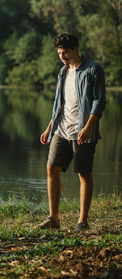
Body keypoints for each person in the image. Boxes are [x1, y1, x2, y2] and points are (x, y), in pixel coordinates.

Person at [38, 33, 106, 232]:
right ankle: (54, 219)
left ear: (76, 49)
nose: (62, 57)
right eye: (59, 53)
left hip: (82, 131)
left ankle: (82, 221)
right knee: (52, 168)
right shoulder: (63, 72)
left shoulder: (93, 69)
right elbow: (60, 103)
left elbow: (99, 102)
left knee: (84, 174)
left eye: (65, 52)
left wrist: (89, 127)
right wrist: (50, 126)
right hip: (61, 128)